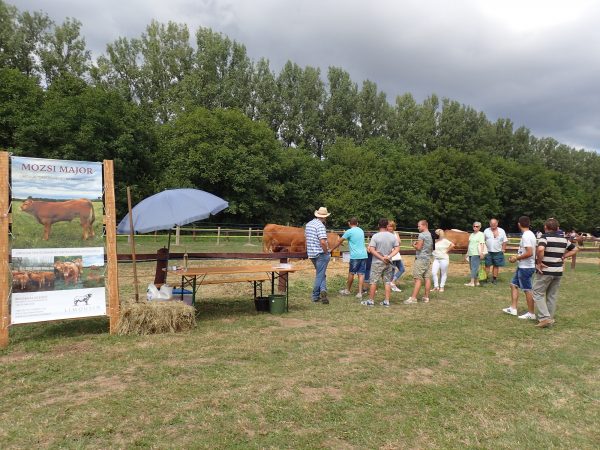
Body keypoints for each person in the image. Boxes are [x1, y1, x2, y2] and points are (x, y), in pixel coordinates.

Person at [533, 218, 578, 328]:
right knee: (552, 296)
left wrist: (539, 263)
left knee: (537, 293)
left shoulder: (544, 237)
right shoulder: (564, 240)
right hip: (558, 271)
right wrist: (564, 256)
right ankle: (549, 319)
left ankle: (544, 318)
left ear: (545, 227)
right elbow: (575, 249)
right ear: (557, 228)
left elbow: (540, 249)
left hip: (546, 270)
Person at [502, 216, 537, 319]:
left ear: (519, 224)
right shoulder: (530, 234)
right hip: (523, 266)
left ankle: (531, 313)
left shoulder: (526, 236)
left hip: (526, 267)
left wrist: (516, 258)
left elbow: (530, 253)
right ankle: (513, 308)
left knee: (527, 289)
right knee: (513, 284)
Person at [362, 218, 399, 307]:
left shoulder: (375, 236)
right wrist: (389, 256)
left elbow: (371, 249)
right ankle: (386, 301)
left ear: (378, 225)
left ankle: (371, 301)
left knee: (373, 281)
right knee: (387, 282)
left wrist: (381, 258)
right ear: (387, 225)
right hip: (388, 262)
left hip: (377, 262)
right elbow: (397, 248)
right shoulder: (392, 236)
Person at [331, 217, 368, 299]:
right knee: (361, 274)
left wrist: (331, 249)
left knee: (351, 273)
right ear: (357, 223)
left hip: (355, 256)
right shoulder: (361, 230)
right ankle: (359, 293)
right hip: (364, 255)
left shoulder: (349, 232)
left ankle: (347, 290)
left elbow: (339, 241)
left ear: (349, 223)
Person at [305, 206, 332, 304]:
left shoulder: (309, 224)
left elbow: (307, 239)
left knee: (321, 273)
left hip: (312, 253)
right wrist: (326, 252)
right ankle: (315, 295)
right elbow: (323, 242)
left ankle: (323, 289)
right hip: (320, 253)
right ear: (324, 217)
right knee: (320, 275)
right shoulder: (320, 226)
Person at [404, 220, 433, 304]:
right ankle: (426, 297)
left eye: (419, 226)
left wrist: (413, 245)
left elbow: (419, 248)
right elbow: (427, 246)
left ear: (424, 226)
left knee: (417, 279)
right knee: (427, 278)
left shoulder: (422, 235)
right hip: (428, 259)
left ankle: (413, 298)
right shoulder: (429, 234)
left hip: (420, 259)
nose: (418, 228)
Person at [483, 218, 508, 284]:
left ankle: (494, 279)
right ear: (489, 223)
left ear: (497, 223)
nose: (493, 225)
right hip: (488, 251)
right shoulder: (486, 230)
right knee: (487, 265)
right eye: (492, 223)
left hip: (498, 252)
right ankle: (485, 279)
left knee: (496, 266)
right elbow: (482, 241)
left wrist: (503, 249)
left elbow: (505, 241)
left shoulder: (501, 231)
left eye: (494, 223)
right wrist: (483, 249)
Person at [465, 221, 485, 287]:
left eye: (477, 226)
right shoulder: (472, 234)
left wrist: (481, 252)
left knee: (474, 268)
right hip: (471, 253)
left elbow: (482, 244)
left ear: (480, 227)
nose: (475, 227)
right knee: (472, 268)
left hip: (476, 253)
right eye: (474, 226)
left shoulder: (481, 234)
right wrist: (467, 253)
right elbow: (470, 244)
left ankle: (472, 282)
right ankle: (477, 282)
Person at [387, 220, 405, 292]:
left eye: (391, 226)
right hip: (391, 254)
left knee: (402, 269)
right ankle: (391, 285)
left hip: (396, 254)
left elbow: (399, 242)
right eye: (388, 226)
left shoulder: (395, 233)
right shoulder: (386, 234)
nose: (390, 227)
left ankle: (392, 282)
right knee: (392, 270)